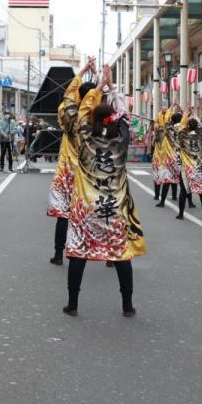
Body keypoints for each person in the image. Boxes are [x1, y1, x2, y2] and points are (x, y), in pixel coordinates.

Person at [63, 64, 145, 317]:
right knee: (120, 254)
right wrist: (110, 88)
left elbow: (81, 114)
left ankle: (73, 304)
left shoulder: (85, 136)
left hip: (86, 207)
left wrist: (97, 88)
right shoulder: (121, 139)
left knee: (79, 253)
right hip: (114, 206)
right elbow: (123, 115)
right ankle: (127, 305)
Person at [48, 58, 98, 264]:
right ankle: (107, 255)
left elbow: (69, 94)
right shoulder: (100, 119)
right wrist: (99, 81)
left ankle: (59, 254)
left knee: (64, 215)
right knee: (96, 213)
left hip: (67, 173)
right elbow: (107, 100)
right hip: (91, 173)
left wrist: (84, 70)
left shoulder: (69, 114)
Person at [175, 109, 202, 221]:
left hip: (187, 167)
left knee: (184, 190)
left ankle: (181, 214)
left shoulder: (182, 135)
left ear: (187, 126)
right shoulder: (200, 134)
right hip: (200, 166)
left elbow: (180, 126)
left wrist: (186, 114)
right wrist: (195, 115)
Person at [153, 104, 183, 207]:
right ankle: (189, 201)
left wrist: (170, 109)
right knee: (182, 181)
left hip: (169, 157)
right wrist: (181, 109)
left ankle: (161, 200)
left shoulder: (168, 129)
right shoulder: (184, 129)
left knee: (167, 179)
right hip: (181, 157)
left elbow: (166, 121)